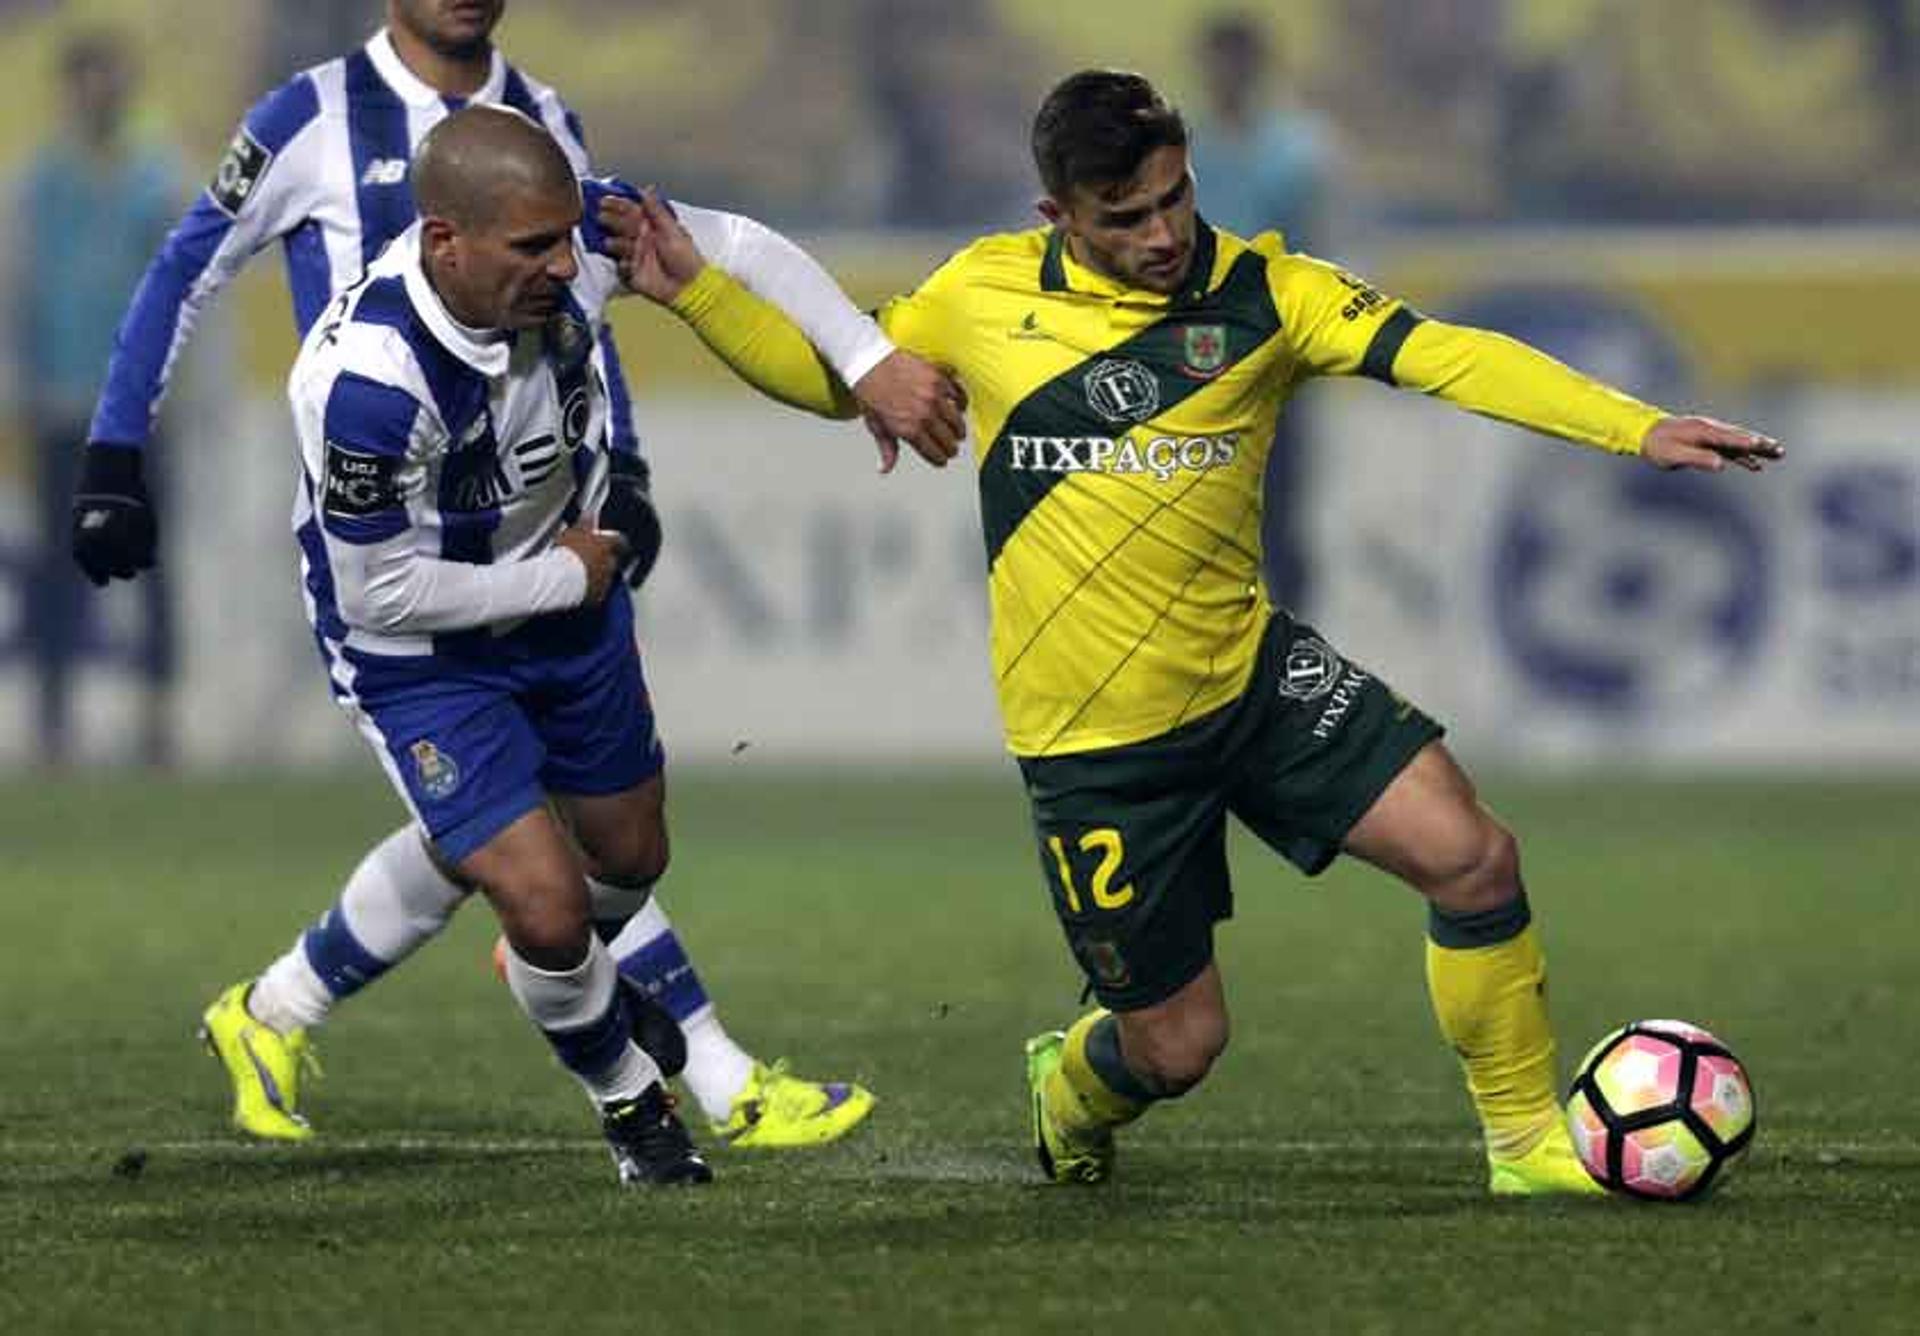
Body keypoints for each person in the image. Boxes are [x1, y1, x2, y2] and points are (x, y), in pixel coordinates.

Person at [596, 69, 1782, 1193]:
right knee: (1176, 1046)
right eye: (1125, 216)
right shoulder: (981, 296)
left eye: (1175, 198)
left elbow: (1449, 356)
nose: (1163, 235)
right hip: (1094, 746)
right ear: (1056, 213)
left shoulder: (1271, 294)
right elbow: (829, 377)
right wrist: (697, 290)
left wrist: (1634, 428)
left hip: (1254, 678)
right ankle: (1068, 1088)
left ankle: (1526, 1142)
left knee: (1475, 856)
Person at [72, 0, 961, 1151]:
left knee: (572, 850)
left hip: (547, 525)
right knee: (534, 873)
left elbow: (595, 299)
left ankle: (282, 1003)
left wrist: (626, 470)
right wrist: (110, 451)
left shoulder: (543, 129)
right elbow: (185, 273)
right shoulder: (312, 123)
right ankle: (705, 1080)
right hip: (396, 551)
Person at [14, 31, 180, 766]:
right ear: (69, 90)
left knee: (150, 562)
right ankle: (56, 718)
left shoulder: (156, 178)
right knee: (58, 562)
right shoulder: (38, 185)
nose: (97, 94)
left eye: (107, 79)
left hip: (137, 412)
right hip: (59, 401)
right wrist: (17, 384)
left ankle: (156, 716)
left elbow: (184, 295)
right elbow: (15, 291)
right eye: (86, 80)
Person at [1187, 12, 1336, 614]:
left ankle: (1296, 651)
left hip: (1272, 352)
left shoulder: (1295, 152)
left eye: (1237, 61)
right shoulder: (1179, 148)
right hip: (1196, 353)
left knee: (1280, 514)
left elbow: (1314, 251)